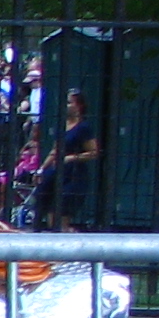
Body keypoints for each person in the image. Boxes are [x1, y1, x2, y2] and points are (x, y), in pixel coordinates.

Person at [48, 88, 102, 229]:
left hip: (74, 174)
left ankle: (68, 235)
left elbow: (94, 152)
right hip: (58, 174)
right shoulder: (61, 126)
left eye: (69, 102)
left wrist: (71, 158)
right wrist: (42, 169)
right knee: (51, 217)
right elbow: (55, 150)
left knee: (63, 215)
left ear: (79, 105)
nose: (66, 106)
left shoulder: (83, 128)